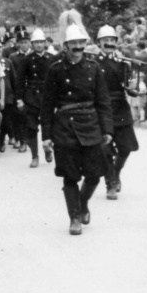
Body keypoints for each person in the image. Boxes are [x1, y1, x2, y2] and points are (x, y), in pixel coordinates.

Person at [41, 24, 113, 235]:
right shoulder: (55, 70)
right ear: (66, 46)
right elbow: (47, 105)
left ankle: (82, 203)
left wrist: (107, 129)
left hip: (90, 123)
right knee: (70, 176)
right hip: (64, 126)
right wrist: (46, 135)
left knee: (95, 173)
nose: (78, 47)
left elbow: (103, 101)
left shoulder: (94, 68)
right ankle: (74, 217)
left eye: (81, 43)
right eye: (74, 44)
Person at [93, 25, 140, 200]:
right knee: (105, 149)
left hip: (120, 107)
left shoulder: (123, 63)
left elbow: (129, 86)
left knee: (126, 148)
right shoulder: (93, 63)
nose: (109, 43)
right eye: (106, 41)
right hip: (102, 109)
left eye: (112, 40)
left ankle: (116, 172)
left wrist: (134, 91)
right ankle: (110, 183)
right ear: (99, 43)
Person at [16, 28, 54, 168]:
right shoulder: (27, 60)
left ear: (45, 43)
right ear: (32, 44)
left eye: (41, 42)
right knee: (31, 127)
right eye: (36, 42)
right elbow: (20, 81)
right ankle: (34, 156)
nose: (38, 45)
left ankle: (47, 149)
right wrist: (19, 99)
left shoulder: (52, 59)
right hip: (31, 96)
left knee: (48, 126)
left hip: (47, 97)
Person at [0, 34, 17, 153]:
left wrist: (16, 97)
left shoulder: (7, 62)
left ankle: (0, 143)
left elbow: (13, 80)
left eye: (0, 47)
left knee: (6, 121)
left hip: (7, 97)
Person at [8, 25, 31, 153]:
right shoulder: (13, 57)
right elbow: (12, 76)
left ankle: (29, 140)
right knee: (19, 117)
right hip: (19, 90)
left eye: (26, 42)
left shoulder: (34, 56)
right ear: (17, 44)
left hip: (32, 91)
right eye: (21, 42)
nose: (24, 45)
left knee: (30, 118)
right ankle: (22, 141)